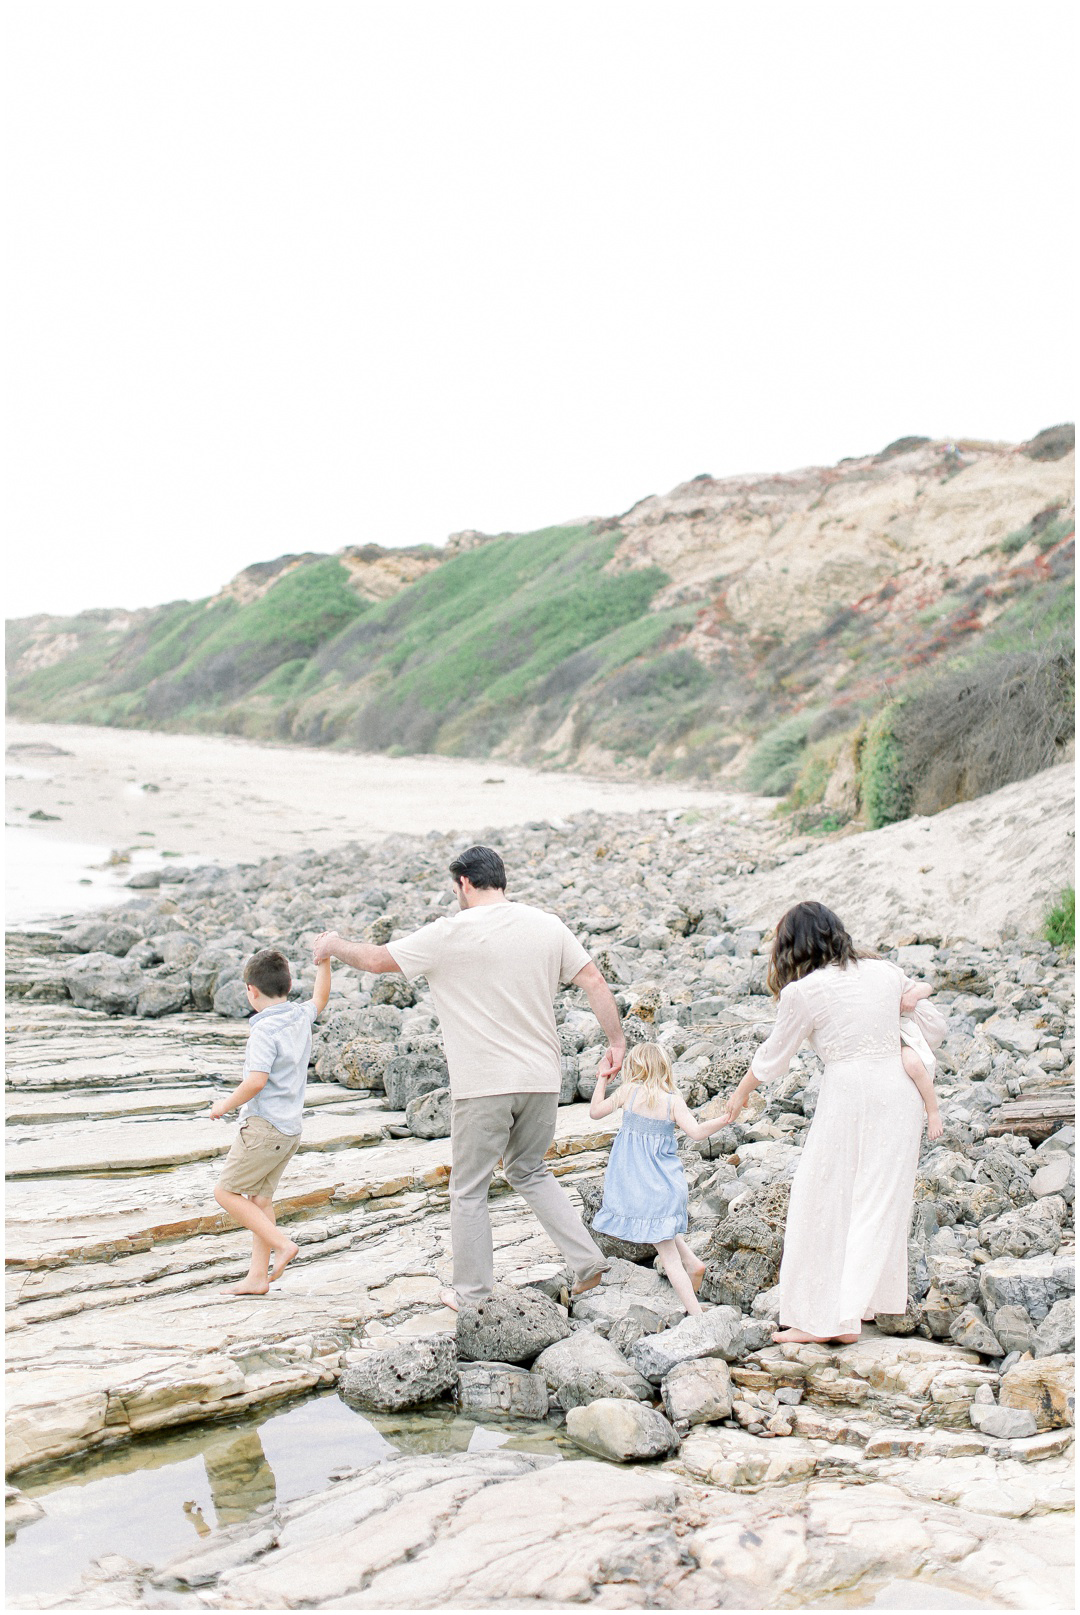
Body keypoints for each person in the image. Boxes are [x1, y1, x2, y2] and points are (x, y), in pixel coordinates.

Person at [313, 844, 625, 1311]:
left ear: (463, 883)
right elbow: (595, 982)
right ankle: (586, 1262)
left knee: (469, 1188)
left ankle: (473, 1293)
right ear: (502, 880)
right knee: (529, 1169)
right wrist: (617, 1043)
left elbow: (377, 961)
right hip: (543, 1078)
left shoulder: (449, 933)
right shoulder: (547, 925)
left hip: (485, 1083)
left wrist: (333, 945)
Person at [717, 901, 947, 1345]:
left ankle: (823, 1320)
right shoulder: (882, 971)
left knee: (819, 1198)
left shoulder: (804, 992)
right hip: (900, 1092)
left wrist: (740, 1094)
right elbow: (927, 1018)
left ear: (793, 945)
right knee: (877, 1202)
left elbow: (772, 1058)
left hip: (850, 1093)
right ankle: (850, 1314)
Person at [210, 948, 331, 1294]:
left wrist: (224, 1105)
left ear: (251, 991)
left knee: (225, 1192)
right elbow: (320, 996)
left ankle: (282, 1244)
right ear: (289, 985)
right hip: (290, 1129)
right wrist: (325, 962)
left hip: (263, 1128)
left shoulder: (263, 1032)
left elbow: (256, 1081)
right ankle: (258, 1278)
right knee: (260, 1201)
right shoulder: (299, 1016)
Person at [589, 1042, 731, 1314]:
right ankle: (693, 1263)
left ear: (635, 1067)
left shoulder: (628, 1093)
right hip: (666, 1185)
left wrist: (603, 1078)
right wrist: (724, 1119)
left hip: (640, 1187)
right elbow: (698, 1133)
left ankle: (697, 1314)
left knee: (667, 1256)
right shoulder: (672, 1100)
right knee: (660, 1231)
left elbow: (595, 1112)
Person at [899, 984, 944, 1141]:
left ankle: (933, 1112)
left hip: (901, 1037)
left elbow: (927, 987)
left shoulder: (889, 975)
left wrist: (912, 995)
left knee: (913, 1064)